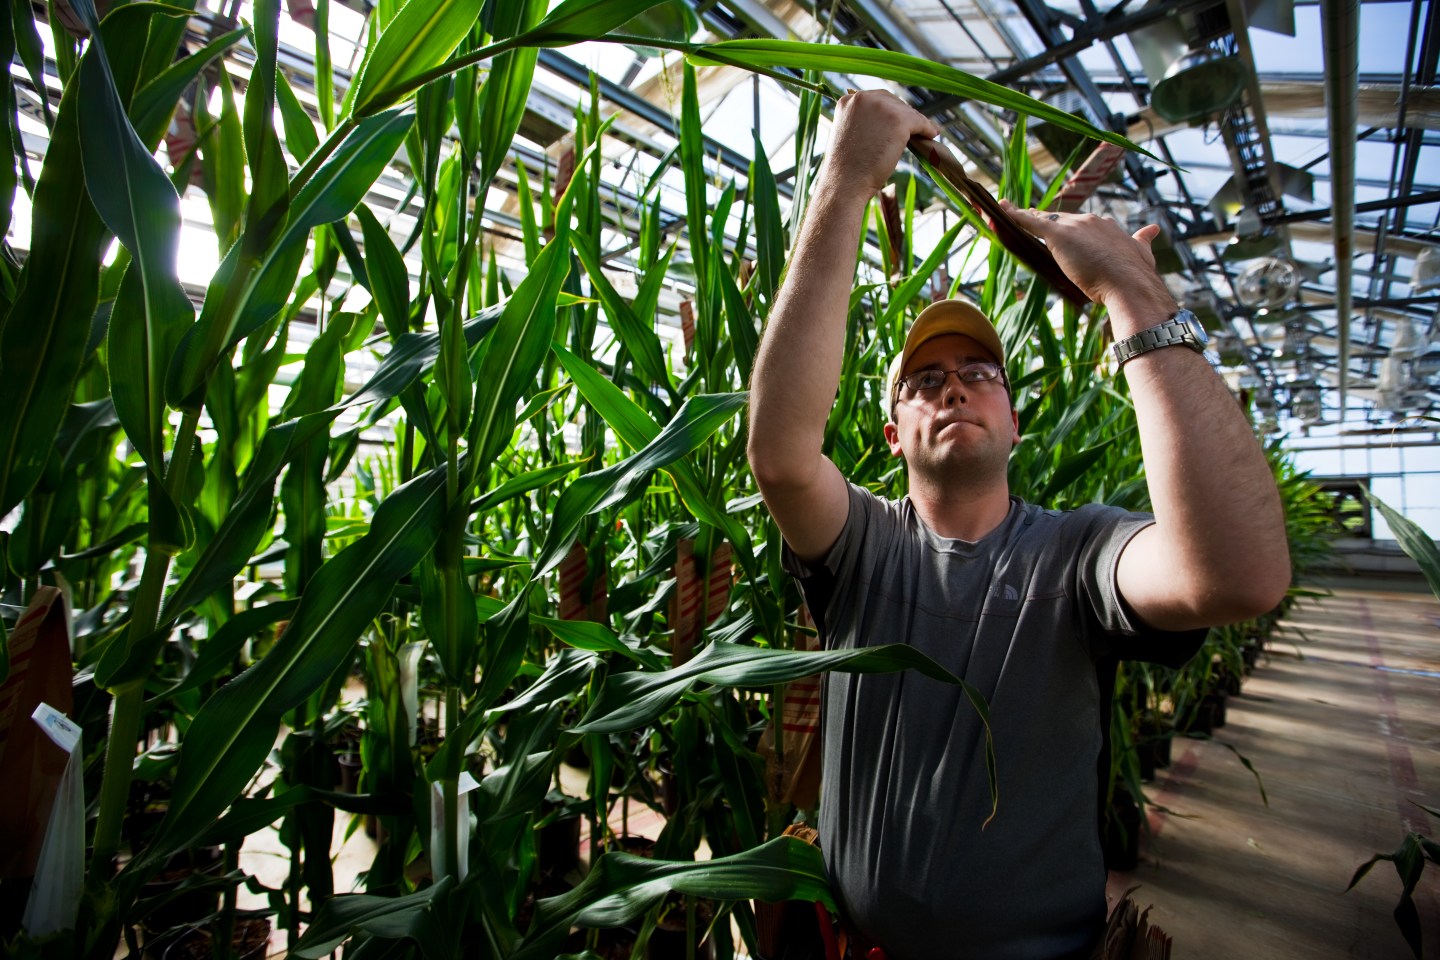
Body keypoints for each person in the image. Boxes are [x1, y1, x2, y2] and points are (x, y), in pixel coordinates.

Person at [746, 89, 1292, 959]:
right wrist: (845, 182)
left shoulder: (1080, 553)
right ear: (893, 436)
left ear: (1015, 424)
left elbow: (1240, 573)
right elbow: (779, 456)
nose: (953, 387)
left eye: (980, 374)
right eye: (924, 382)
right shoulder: (863, 547)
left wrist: (1133, 291)